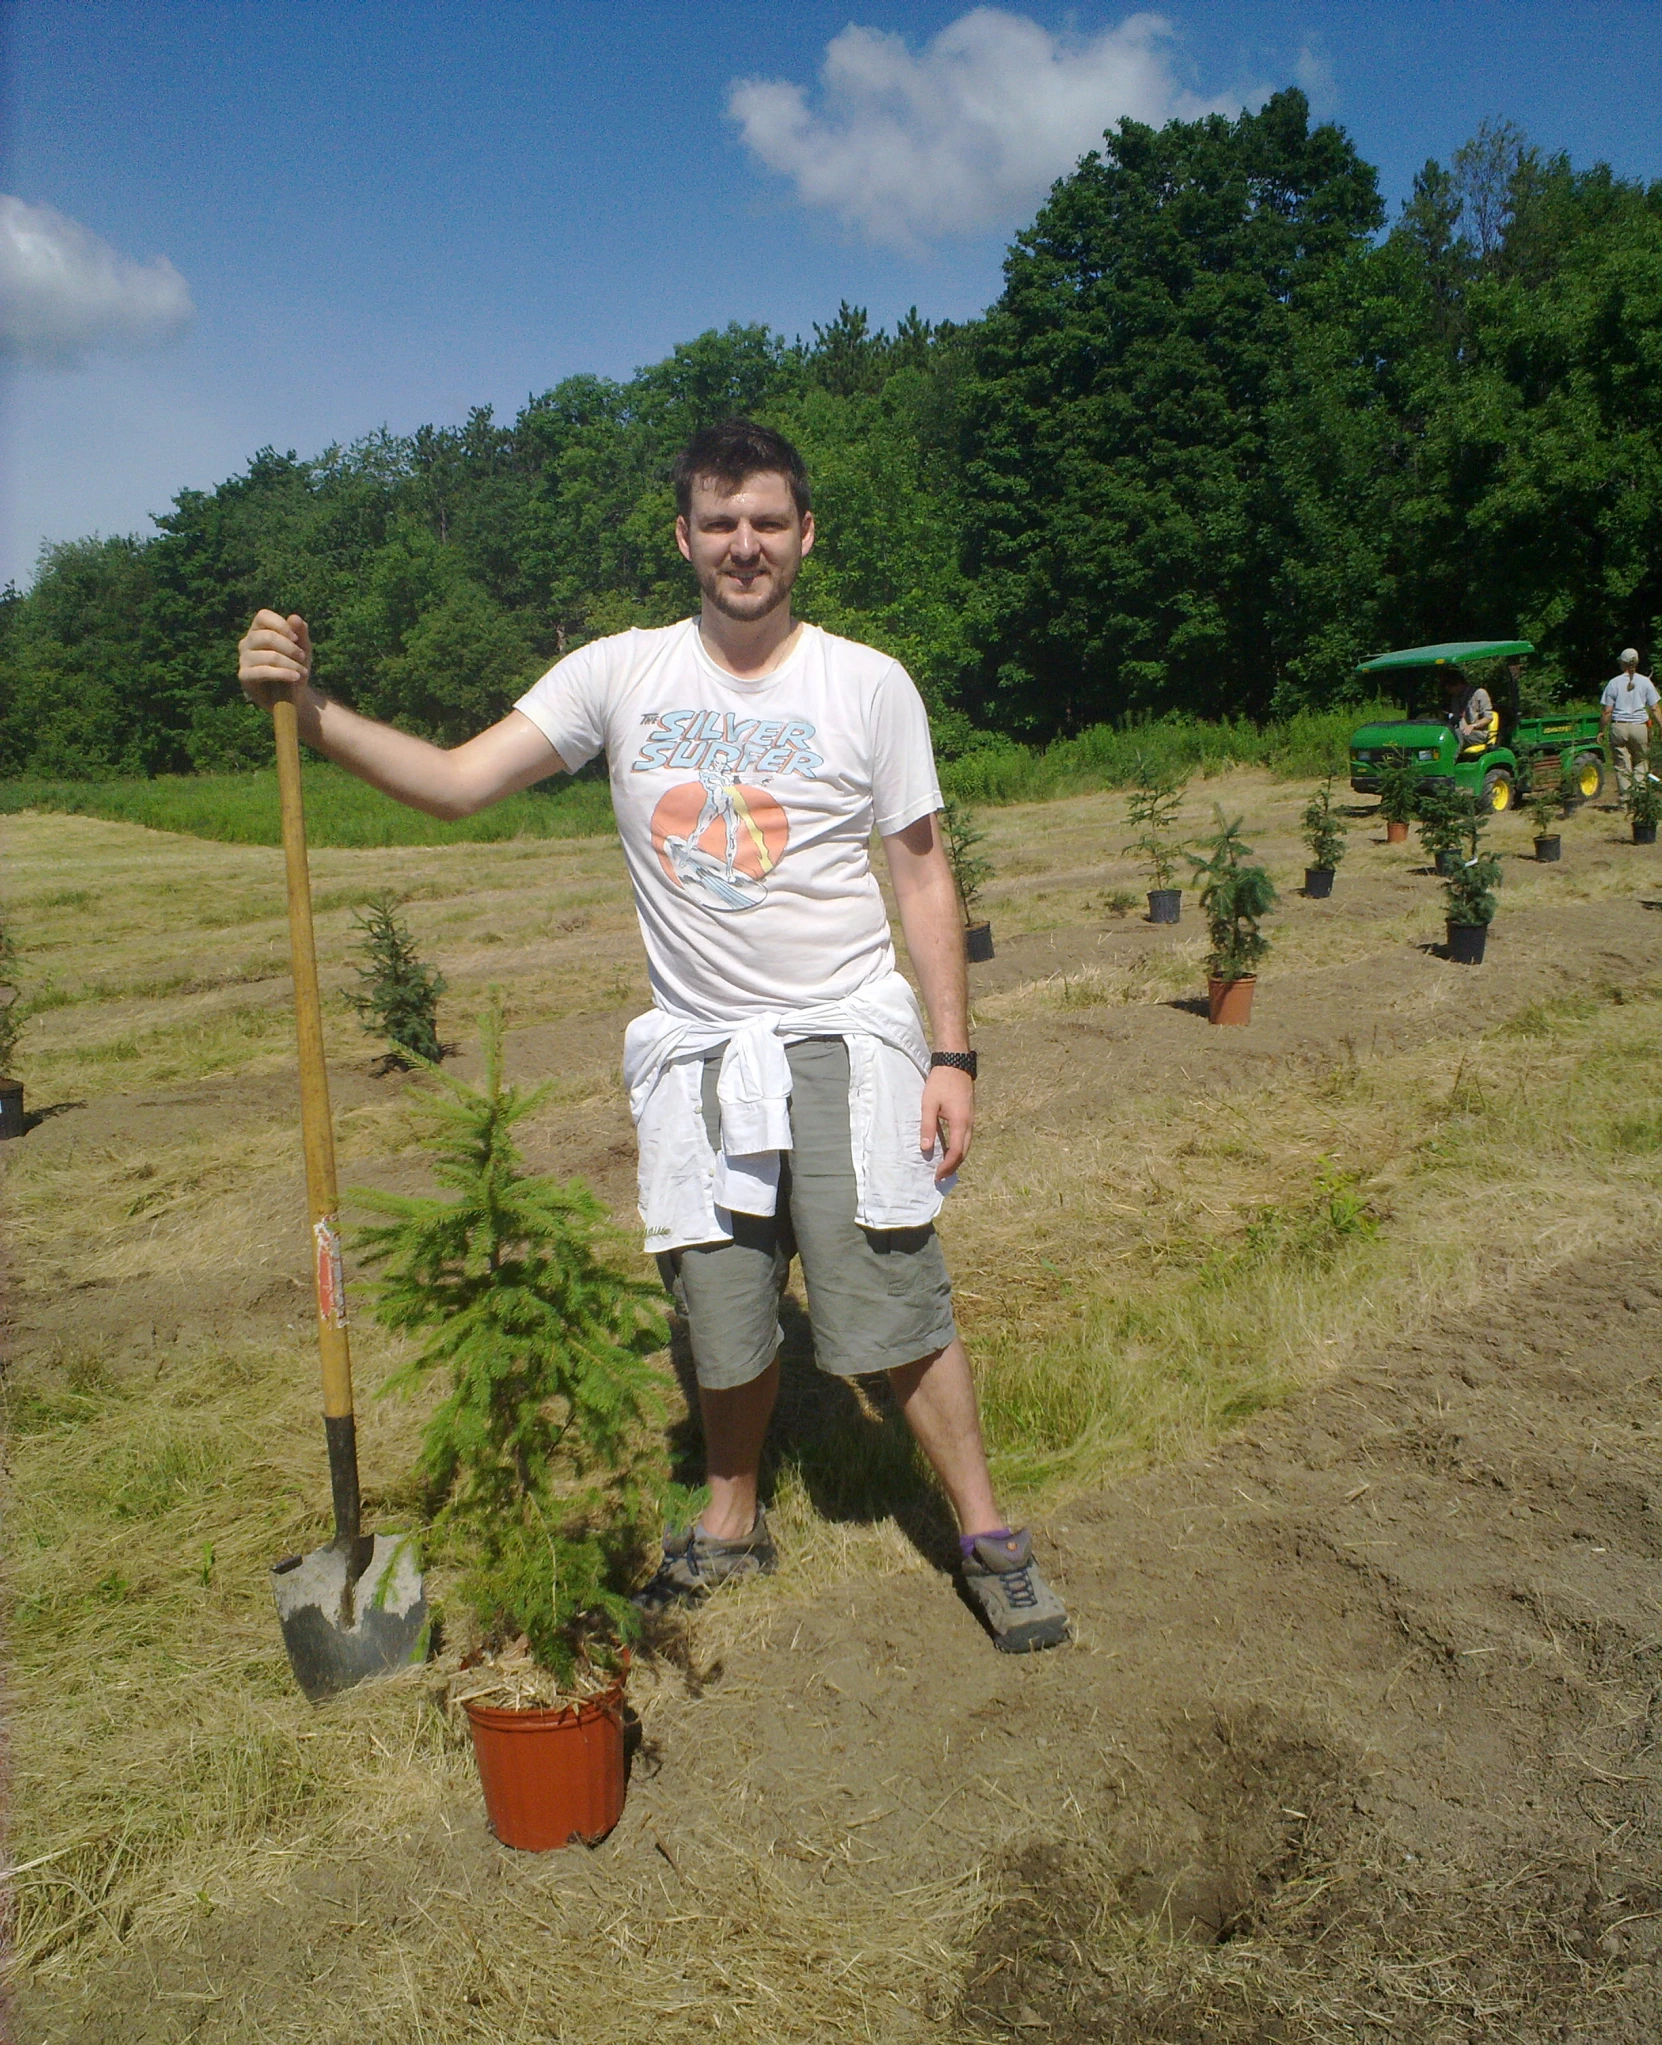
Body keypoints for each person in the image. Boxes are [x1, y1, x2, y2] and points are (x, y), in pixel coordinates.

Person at [238, 418, 1070, 1655]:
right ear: (684, 535)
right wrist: (311, 712)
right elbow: (463, 782)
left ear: (805, 535)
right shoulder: (619, 676)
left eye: (769, 522)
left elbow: (924, 876)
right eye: (721, 522)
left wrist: (954, 1055)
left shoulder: (867, 683)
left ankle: (990, 1535)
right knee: (723, 1308)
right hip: (698, 1055)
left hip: (844, 1035)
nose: (746, 545)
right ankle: (731, 1521)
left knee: (891, 1298)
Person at [1600, 648, 1662, 801]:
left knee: (1622, 765)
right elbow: (1654, 708)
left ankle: (1625, 800)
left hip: (1619, 727)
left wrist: (1601, 729)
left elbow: (1607, 711)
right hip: (1640, 727)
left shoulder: (1613, 683)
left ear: (1622, 663)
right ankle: (1640, 798)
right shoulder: (1645, 682)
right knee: (1641, 761)